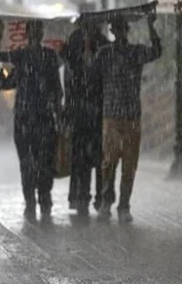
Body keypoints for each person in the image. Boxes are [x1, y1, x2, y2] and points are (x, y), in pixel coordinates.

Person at [0, 20, 63, 220]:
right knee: (27, 162)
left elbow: (56, 89)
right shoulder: (19, 56)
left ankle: (44, 198)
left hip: (44, 117)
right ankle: (30, 201)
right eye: (33, 30)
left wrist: (59, 112)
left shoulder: (49, 57)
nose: (36, 34)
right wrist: (0, 34)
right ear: (28, 33)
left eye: (38, 30)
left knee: (45, 161)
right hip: (24, 117)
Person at [95, 13, 161, 223]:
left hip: (131, 114)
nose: (120, 32)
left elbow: (157, 51)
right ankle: (107, 200)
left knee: (129, 165)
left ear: (126, 30)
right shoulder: (104, 54)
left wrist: (151, 27)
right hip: (112, 115)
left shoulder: (136, 52)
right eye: (116, 28)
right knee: (109, 162)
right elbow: (91, 72)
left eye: (122, 28)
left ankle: (124, 205)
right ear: (113, 31)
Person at [60, 20, 110, 216]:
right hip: (80, 111)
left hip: (96, 110)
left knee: (98, 157)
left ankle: (98, 196)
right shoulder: (75, 42)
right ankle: (82, 196)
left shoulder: (103, 45)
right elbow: (70, 73)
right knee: (80, 157)